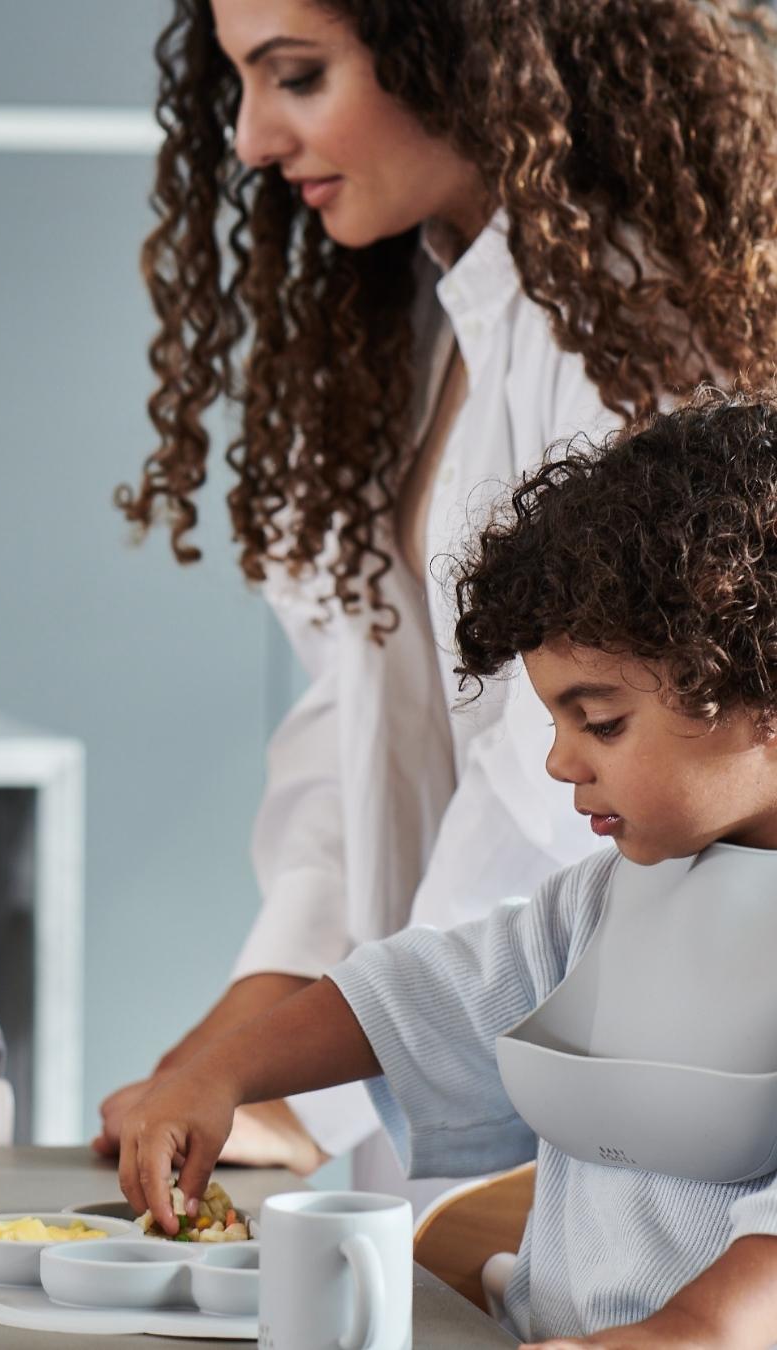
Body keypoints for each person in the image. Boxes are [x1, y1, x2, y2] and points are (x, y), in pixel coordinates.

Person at [100, 0, 777, 1198]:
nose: (254, 137)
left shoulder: (627, 317)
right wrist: (238, 1051)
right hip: (457, 1064)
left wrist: (309, 1080)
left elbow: (535, 794)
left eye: (297, 76)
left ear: (460, 45)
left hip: (573, 1088)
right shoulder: (413, 313)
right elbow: (356, 732)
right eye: (244, 86)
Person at [118, 388, 777, 1346]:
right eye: (554, 722)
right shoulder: (604, 904)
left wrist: (679, 1334)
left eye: (600, 723)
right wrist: (218, 1073)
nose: (562, 761)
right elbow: (424, 995)